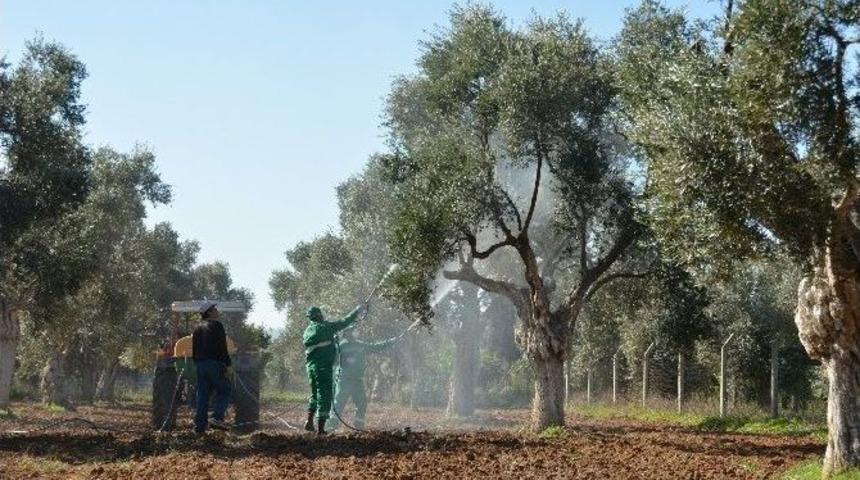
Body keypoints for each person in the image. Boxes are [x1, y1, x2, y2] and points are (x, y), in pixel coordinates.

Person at [333, 326, 410, 430]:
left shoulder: (360, 344)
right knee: (339, 404)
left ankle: (359, 426)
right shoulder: (341, 346)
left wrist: (392, 341)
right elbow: (333, 361)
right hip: (344, 379)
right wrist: (344, 361)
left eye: (356, 330)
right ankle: (331, 426)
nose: (356, 332)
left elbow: (375, 347)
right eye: (353, 331)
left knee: (362, 403)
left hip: (357, 380)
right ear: (347, 333)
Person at [303, 304, 364, 434]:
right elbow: (344, 322)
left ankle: (309, 421)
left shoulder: (308, 330)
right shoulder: (326, 327)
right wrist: (356, 311)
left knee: (314, 394)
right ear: (319, 315)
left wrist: (332, 340)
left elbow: (321, 345)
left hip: (311, 368)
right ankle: (321, 430)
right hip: (323, 368)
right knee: (324, 395)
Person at [192, 302, 233, 434]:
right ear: (209, 312)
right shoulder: (217, 325)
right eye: (214, 308)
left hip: (200, 364)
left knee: (203, 395)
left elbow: (195, 349)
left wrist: (198, 363)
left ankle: (199, 428)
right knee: (225, 389)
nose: (216, 310)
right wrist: (228, 364)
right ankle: (217, 417)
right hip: (214, 363)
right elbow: (222, 347)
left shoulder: (197, 328)